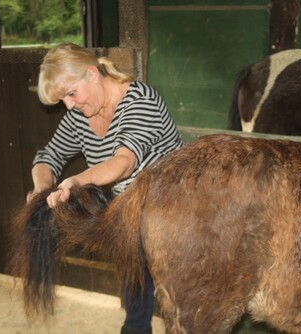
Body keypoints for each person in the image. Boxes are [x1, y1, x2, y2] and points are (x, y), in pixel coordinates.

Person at [27, 43, 185, 334]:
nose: (69, 105)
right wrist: (42, 187)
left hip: (177, 210)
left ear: (92, 74)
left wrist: (76, 180)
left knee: (182, 308)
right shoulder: (79, 116)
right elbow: (49, 156)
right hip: (133, 212)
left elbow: (123, 162)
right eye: (63, 99)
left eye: (71, 93)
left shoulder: (140, 99)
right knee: (135, 300)